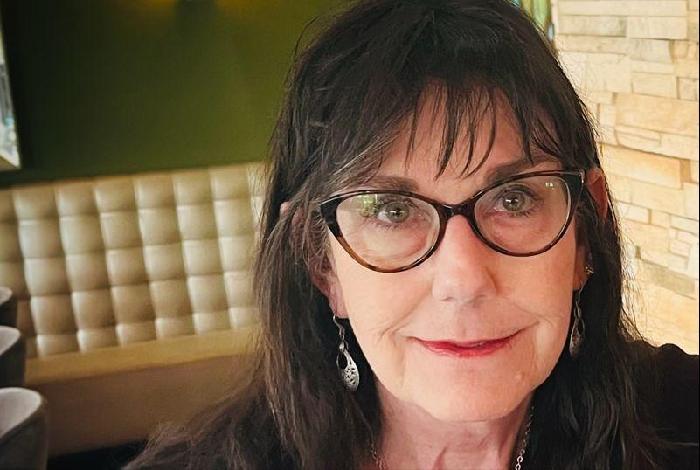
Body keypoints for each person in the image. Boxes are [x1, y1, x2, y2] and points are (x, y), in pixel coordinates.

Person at [125, 0, 699, 468]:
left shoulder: (681, 418)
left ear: (585, 233)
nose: (462, 280)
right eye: (392, 211)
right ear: (321, 263)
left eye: (514, 199)